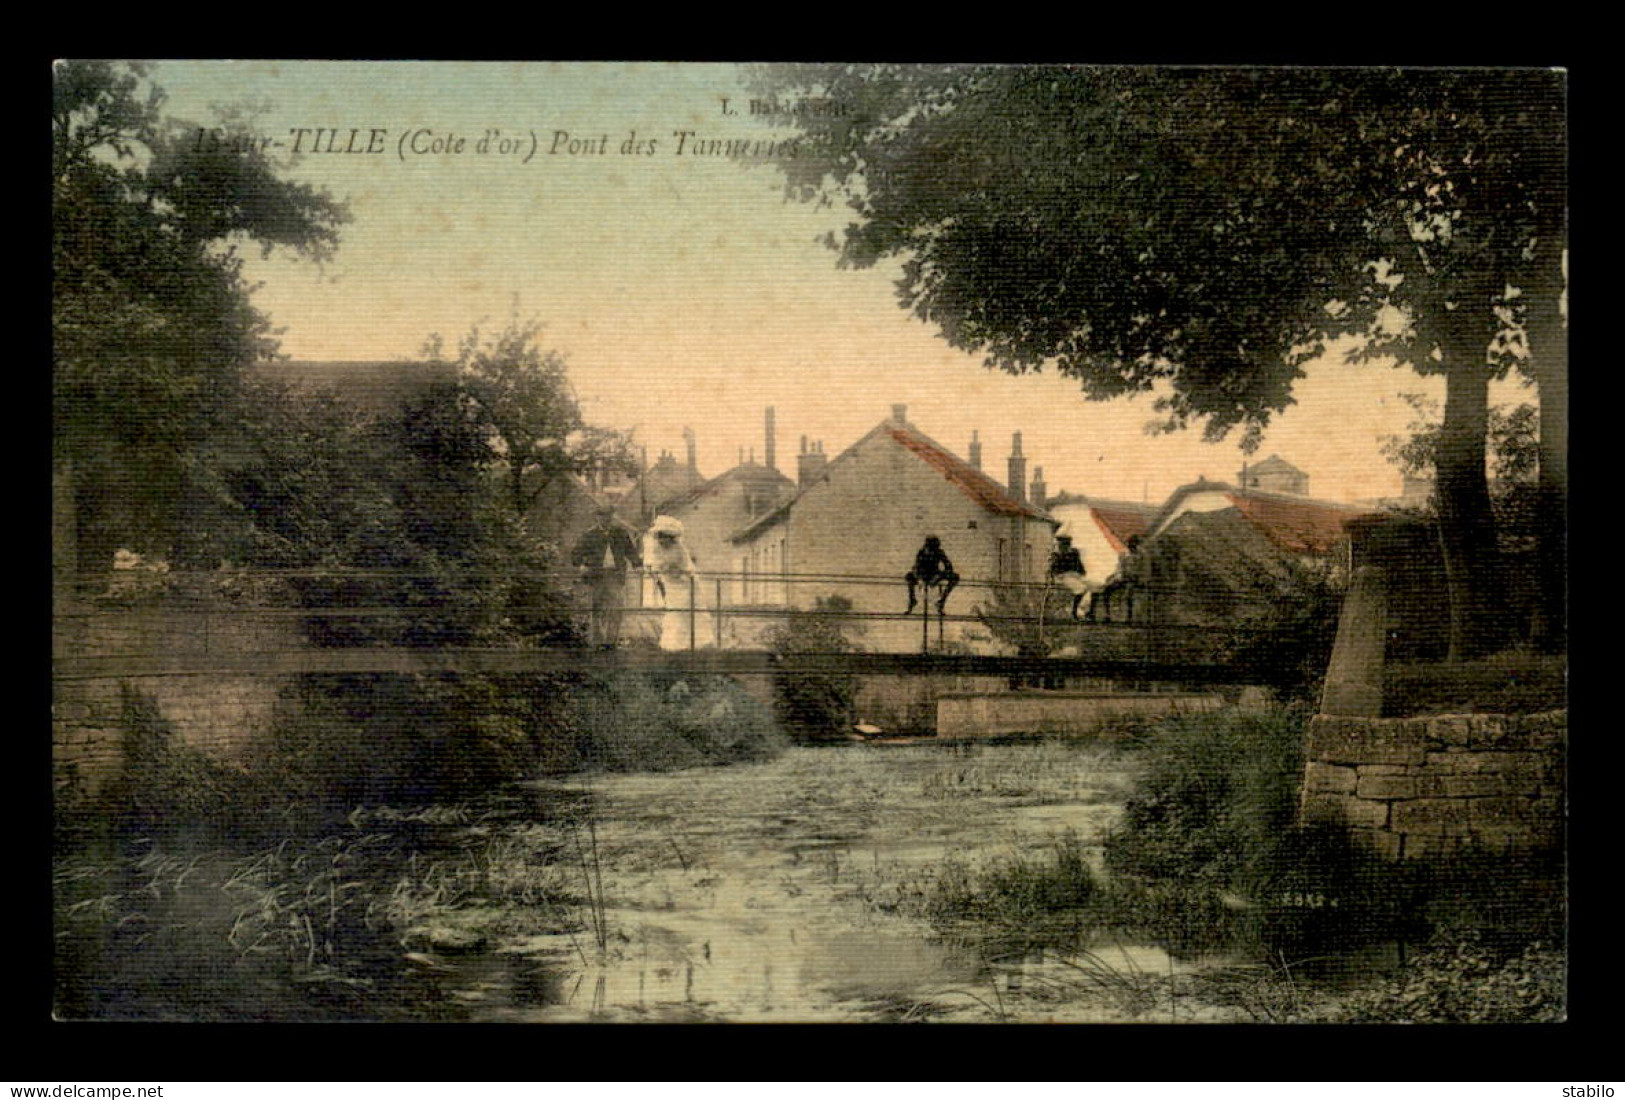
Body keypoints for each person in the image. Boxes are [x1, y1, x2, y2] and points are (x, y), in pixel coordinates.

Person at [570, 504, 641, 648]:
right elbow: (576, 554)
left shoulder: (620, 533)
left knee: (616, 608)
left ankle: (611, 642)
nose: (605, 519)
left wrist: (638, 565)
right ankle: (597, 641)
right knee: (596, 608)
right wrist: (581, 565)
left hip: (615, 576)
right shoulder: (589, 535)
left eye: (608, 516)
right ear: (597, 517)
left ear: (612, 517)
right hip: (596, 577)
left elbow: (631, 551)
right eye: (601, 516)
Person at [644, 514, 697, 651]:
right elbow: (654, 566)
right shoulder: (656, 550)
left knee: (682, 612)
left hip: (682, 583)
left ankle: (685, 643)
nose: (661, 541)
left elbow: (687, 568)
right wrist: (660, 570)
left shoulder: (680, 549)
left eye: (664, 537)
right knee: (672, 612)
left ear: (670, 537)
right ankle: (672, 644)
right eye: (659, 537)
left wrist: (677, 571)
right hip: (669, 584)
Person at [905, 535, 959, 614]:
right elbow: (916, 567)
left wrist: (939, 576)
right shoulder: (922, 552)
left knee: (955, 577)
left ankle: (941, 601)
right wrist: (919, 578)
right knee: (909, 576)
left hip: (935, 574)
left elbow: (949, 566)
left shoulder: (939, 552)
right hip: (923, 575)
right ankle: (912, 599)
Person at [1048, 534, 1091, 620]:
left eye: (1066, 544)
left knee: (1091, 586)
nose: (1064, 547)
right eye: (1062, 545)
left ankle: (1087, 611)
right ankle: (1074, 611)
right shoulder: (1057, 555)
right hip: (1062, 576)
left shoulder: (1074, 553)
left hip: (1075, 575)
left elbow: (1079, 566)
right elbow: (1054, 570)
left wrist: (1082, 574)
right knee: (1080, 589)